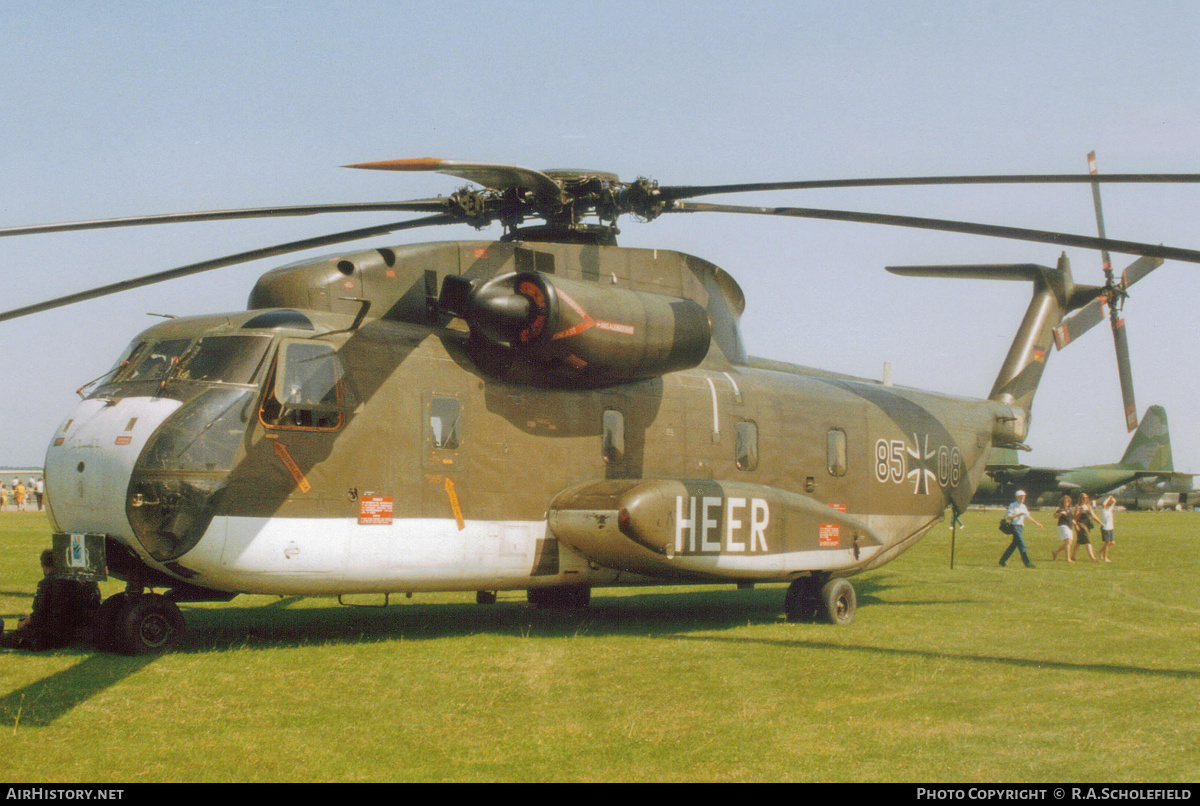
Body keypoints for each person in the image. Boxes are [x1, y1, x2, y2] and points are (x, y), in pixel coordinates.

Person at [0, 549, 101, 650]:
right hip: (74, 631)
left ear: (43, 565)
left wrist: (24, 623)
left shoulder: (47, 583)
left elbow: (38, 614)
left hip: (51, 633)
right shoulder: (79, 581)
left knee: (8, 635)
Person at [1000, 490, 1042, 568]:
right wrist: (1019, 514)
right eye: (1021, 496)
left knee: (1013, 546)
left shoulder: (1023, 506)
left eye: (1024, 496)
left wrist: (1037, 523)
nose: (1023, 498)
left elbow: (1028, 516)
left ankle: (1002, 561)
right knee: (1022, 545)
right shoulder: (1012, 505)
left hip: (1020, 527)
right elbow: (1009, 516)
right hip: (1015, 526)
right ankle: (1027, 563)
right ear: (1017, 497)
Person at [1071, 493, 1099, 562]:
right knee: (1087, 540)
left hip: (1087, 525)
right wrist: (1080, 512)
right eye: (1083, 498)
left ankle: (1073, 556)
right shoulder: (1078, 506)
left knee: (1079, 541)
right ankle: (1092, 558)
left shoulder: (1088, 506)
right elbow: (1075, 518)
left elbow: (1093, 516)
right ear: (1080, 499)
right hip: (1080, 524)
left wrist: (1100, 522)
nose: (1084, 499)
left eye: (1086, 498)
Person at [1050, 494, 1075, 562]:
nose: (1066, 503)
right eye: (1065, 501)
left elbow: (1072, 518)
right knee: (1068, 541)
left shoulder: (1069, 509)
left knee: (1069, 543)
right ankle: (1068, 558)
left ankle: (1055, 552)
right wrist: (1061, 513)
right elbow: (1055, 516)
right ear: (1062, 502)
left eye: (1067, 501)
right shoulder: (1061, 509)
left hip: (1069, 526)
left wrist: (1076, 525)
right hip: (1063, 526)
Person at [1098, 494, 1117, 562]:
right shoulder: (1104, 510)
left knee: (1111, 542)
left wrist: (1112, 499)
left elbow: (1114, 501)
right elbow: (1103, 504)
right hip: (1105, 528)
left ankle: (1100, 551)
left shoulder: (1110, 509)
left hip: (1111, 527)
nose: (1108, 505)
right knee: (1107, 543)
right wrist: (1108, 498)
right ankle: (1105, 557)